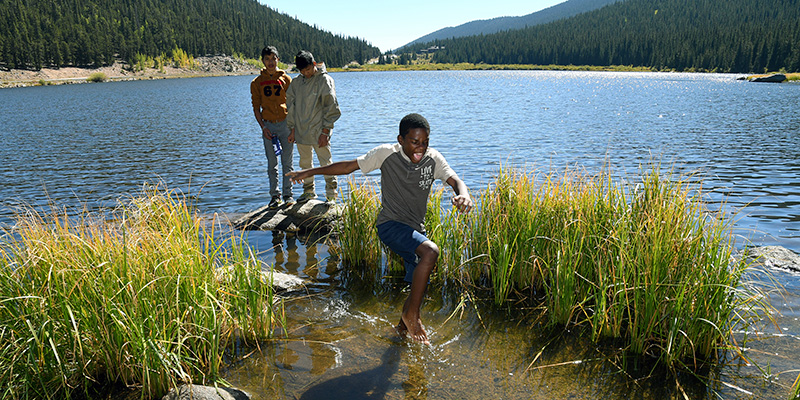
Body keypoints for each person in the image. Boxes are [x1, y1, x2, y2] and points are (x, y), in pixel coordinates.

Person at [286, 113, 473, 344]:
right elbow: (347, 167)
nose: (420, 148)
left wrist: (463, 195)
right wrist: (309, 172)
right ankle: (412, 316)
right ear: (401, 139)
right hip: (390, 225)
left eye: (425, 142)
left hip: (415, 231)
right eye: (414, 142)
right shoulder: (386, 154)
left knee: (419, 279)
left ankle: (401, 334)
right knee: (430, 252)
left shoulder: (433, 159)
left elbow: (455, 180)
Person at [285, 50, 341, 203]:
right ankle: (308, 191)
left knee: (326, 162)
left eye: (308, 69)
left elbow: (332, 108)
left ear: (314, 64)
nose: (306, 73)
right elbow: (291, 107)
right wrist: (292, 129)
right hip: (301, 132)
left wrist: (325, 132)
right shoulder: (296, 83)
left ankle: (331, 195)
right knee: (304, 163)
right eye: (302, 71)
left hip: (319, 131)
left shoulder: (325, 80)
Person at [251, 46, 294, 208]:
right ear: (263, 60)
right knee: (272, 164)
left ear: (278, 59)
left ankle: (288, 195)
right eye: (267, 59)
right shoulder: (257, 82)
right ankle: (275, 196)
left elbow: (293, 105)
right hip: (269, 126)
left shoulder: (286, 79)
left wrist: (294, 129)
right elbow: (256, 108)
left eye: (273, 58)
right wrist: (263, 127)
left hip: (286, 125)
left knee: (287, 162)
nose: (271, 62)